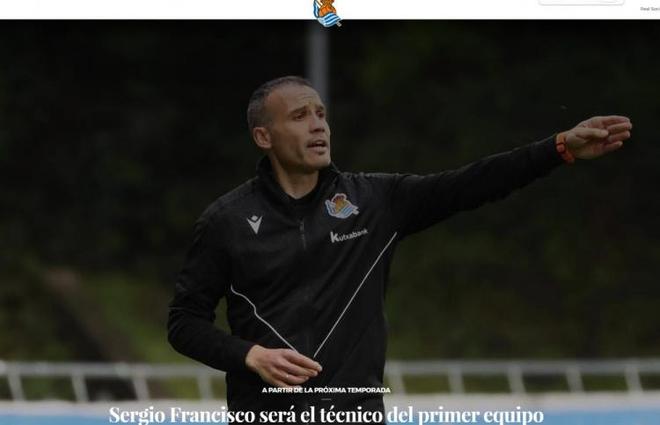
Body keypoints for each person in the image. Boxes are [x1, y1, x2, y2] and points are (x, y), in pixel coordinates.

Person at [167, 76, 632, 419]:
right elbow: (184, 323)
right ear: (263, 137)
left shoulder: (375, 201)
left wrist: (558, 149)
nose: (318, 126)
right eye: (299, 116)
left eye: (321, 114)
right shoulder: (226, 221)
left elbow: (472, 184)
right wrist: (249, 355)